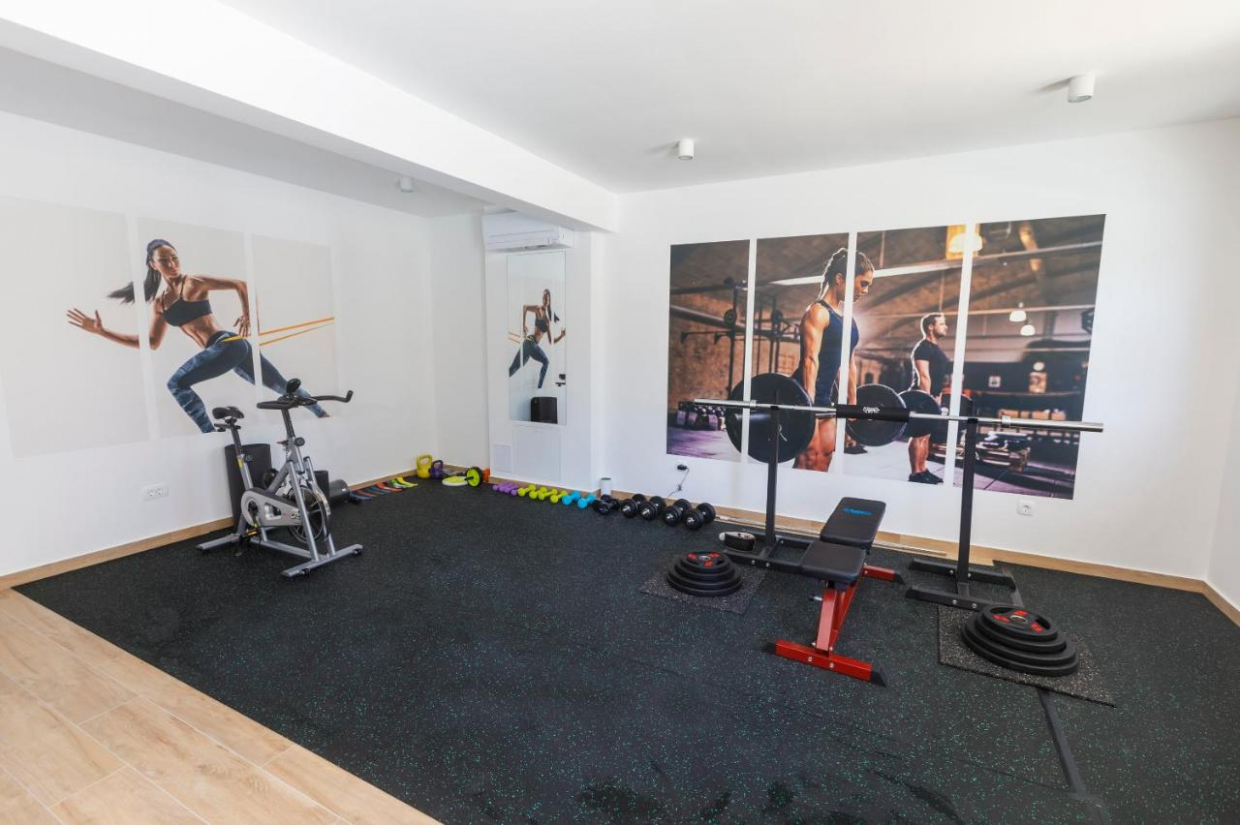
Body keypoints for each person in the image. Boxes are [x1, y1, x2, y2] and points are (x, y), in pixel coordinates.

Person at [67, 238, 326, 433]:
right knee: (280, 385)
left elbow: (241, 284)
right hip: (228, 349)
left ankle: (209, 434)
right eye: (164, 261)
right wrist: (101, 331)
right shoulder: (160, 304)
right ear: (153, 265)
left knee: (176, 385)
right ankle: (323, 415)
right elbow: (151, 343)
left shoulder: (192, 283)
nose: (172, 264)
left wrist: (249, 314)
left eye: (174, 258)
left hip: (225, 344)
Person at [793, 248, 875, 471]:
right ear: (840, 279)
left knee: (826, 455)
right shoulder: (818, 312)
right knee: (808, 457)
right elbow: (810, 360)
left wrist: (852, 401)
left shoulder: (849, 321)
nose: (865, 290)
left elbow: (848, 364)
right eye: (863, 283)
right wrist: (808, 407)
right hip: (805, 395)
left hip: (827, 398)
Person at [908, 312, 950, 484]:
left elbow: (938, 376)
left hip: (933, 397)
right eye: (942, 324)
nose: (946, 327)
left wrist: (938, 397)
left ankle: (923, 470)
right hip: (921, 398)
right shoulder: (923, 347)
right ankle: (915, 473)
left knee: (926, 436)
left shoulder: (935, 348)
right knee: (918, 435)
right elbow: (924, 377)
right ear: (931, 327)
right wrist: (929, 401)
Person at [509, 288, 565, 389]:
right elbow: (525, 307)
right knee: (546, 362)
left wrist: (561, 336)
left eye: (547, 299)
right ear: (542, 299)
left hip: (529, 344)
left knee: (515, 367)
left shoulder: (548, 321)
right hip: (531, 342)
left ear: (549, 301)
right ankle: (539, 389)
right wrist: (523, 325)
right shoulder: (538, 309)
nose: (545, 301)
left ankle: (499, 383)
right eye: (544, 298)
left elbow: (551, 341)